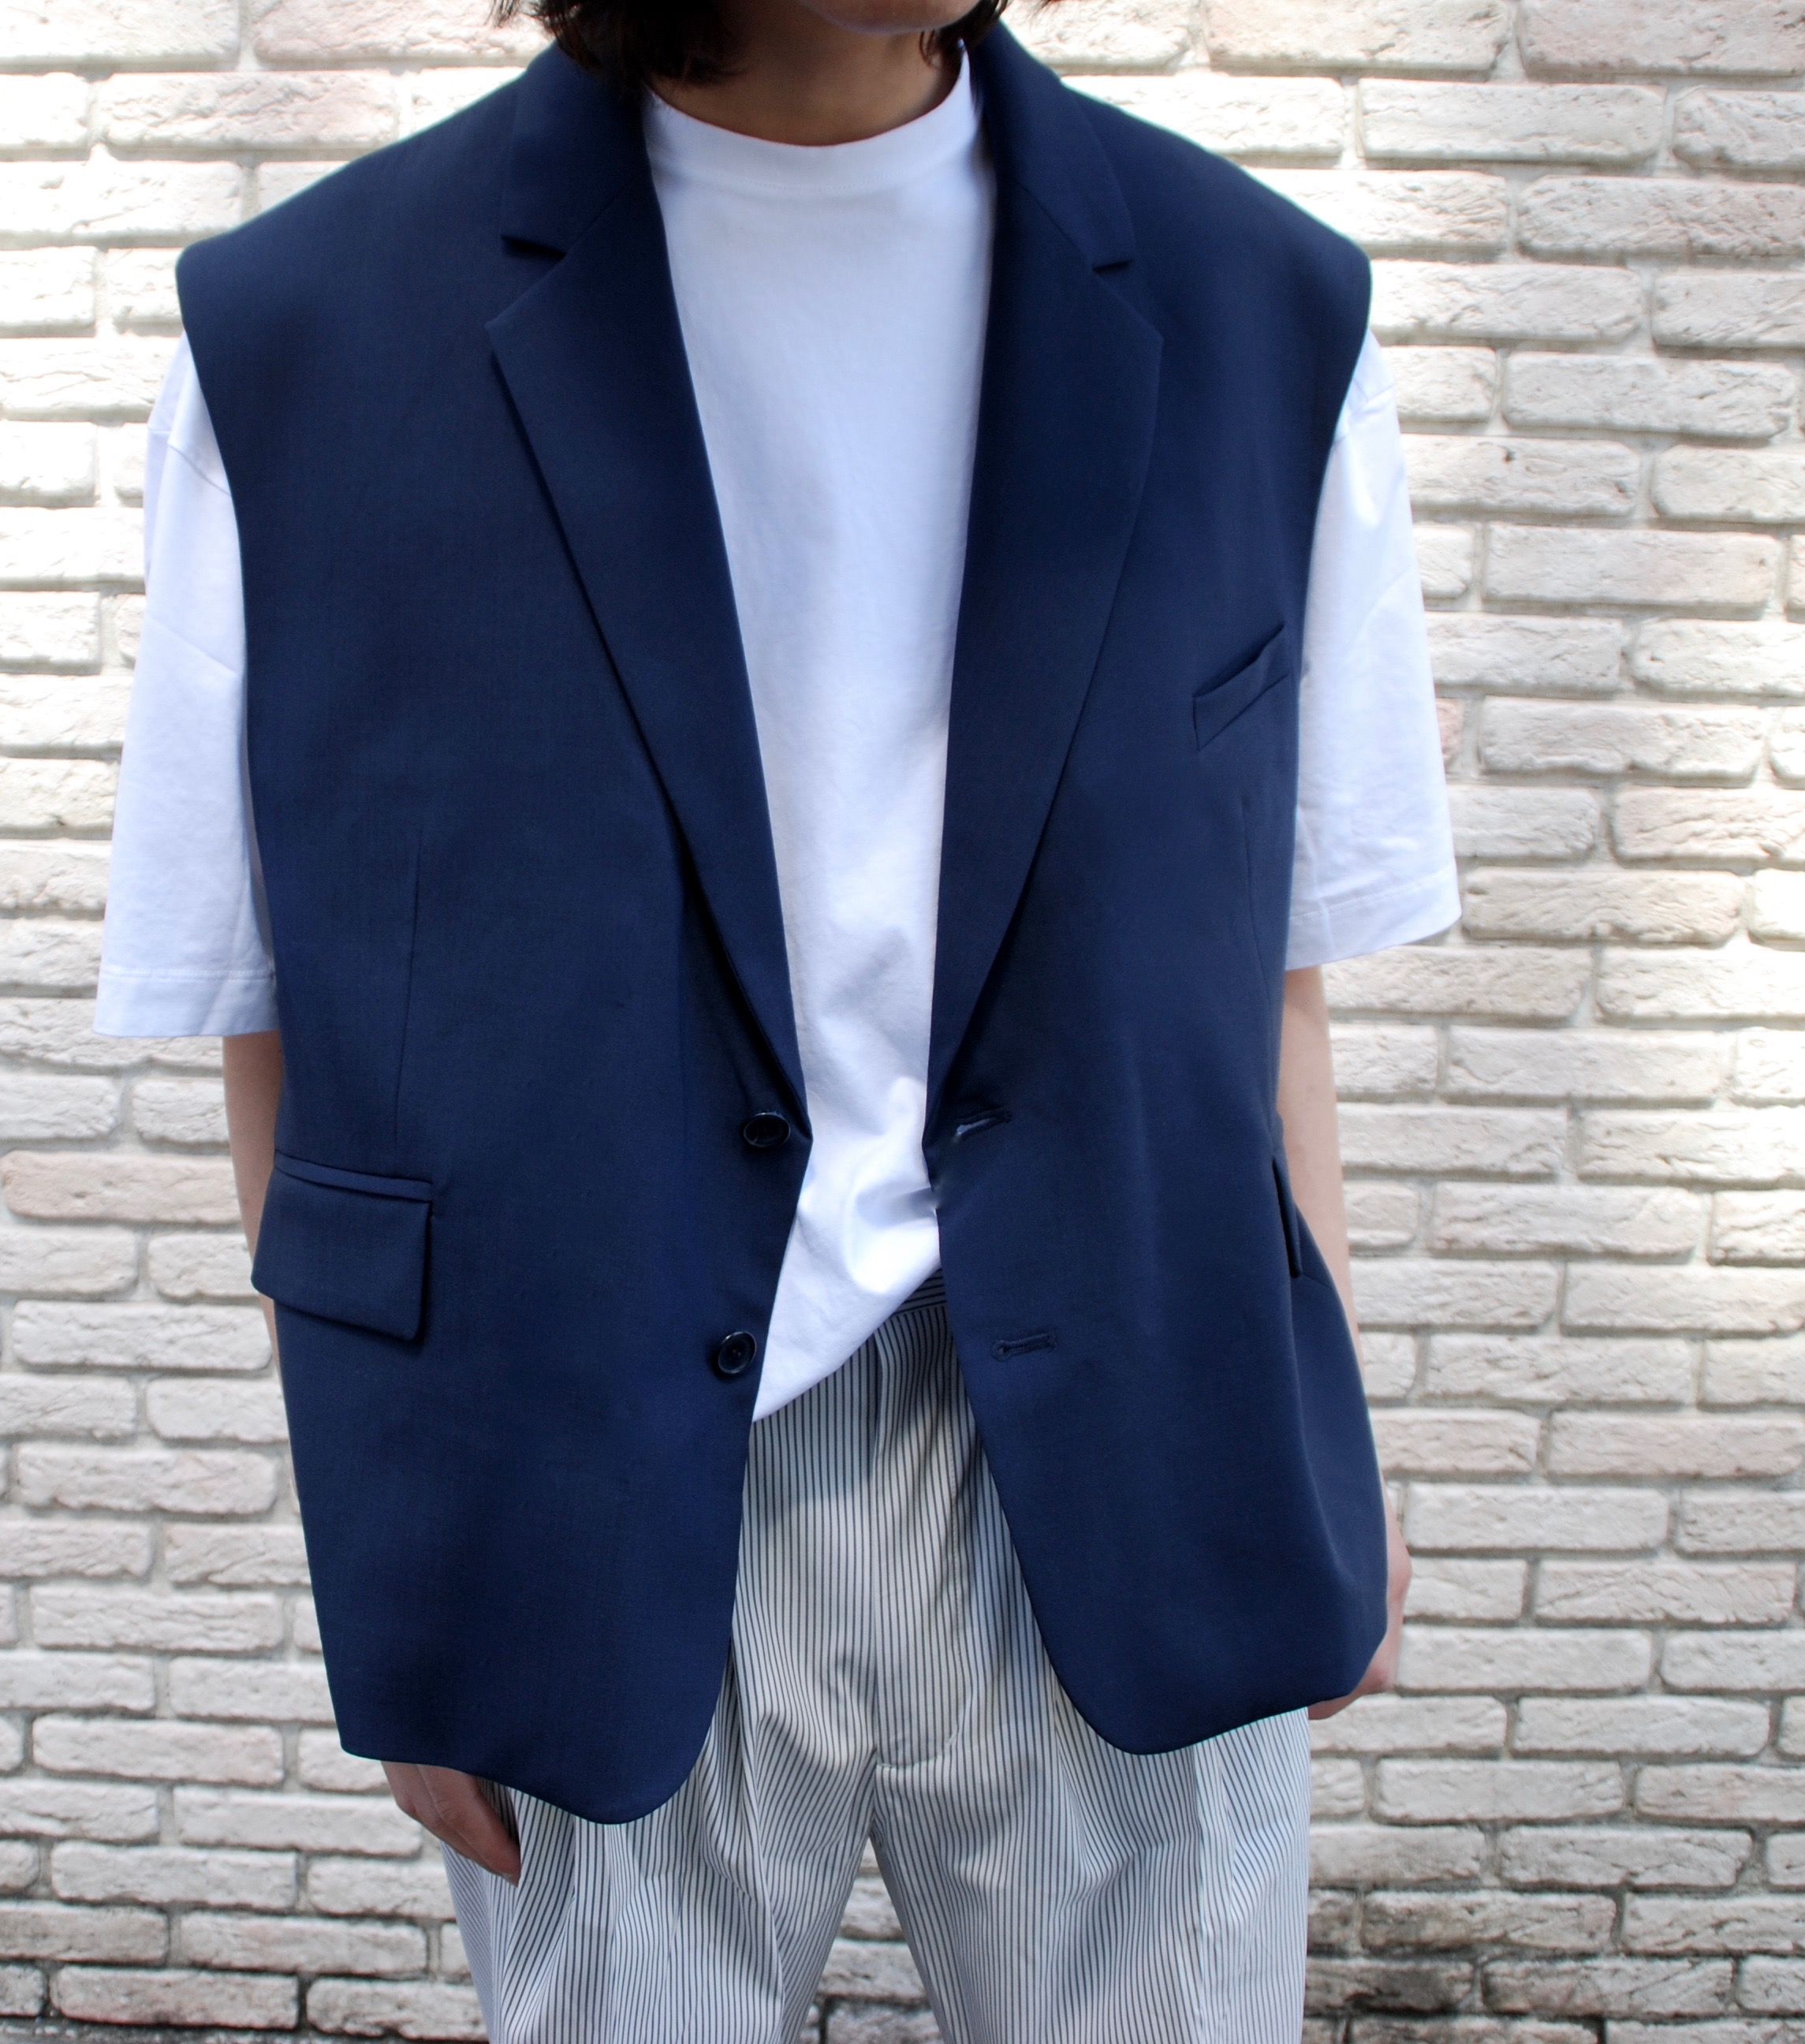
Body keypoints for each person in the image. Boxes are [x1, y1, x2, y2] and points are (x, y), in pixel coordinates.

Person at [91, 0, 1460, 2032]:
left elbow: (1267, 975)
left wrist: (1314, 1445)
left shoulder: (1259, 310)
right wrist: (413, 1567)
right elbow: (283, 1019)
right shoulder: (310, 340)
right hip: (589, 1468)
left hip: (1133, 1444)